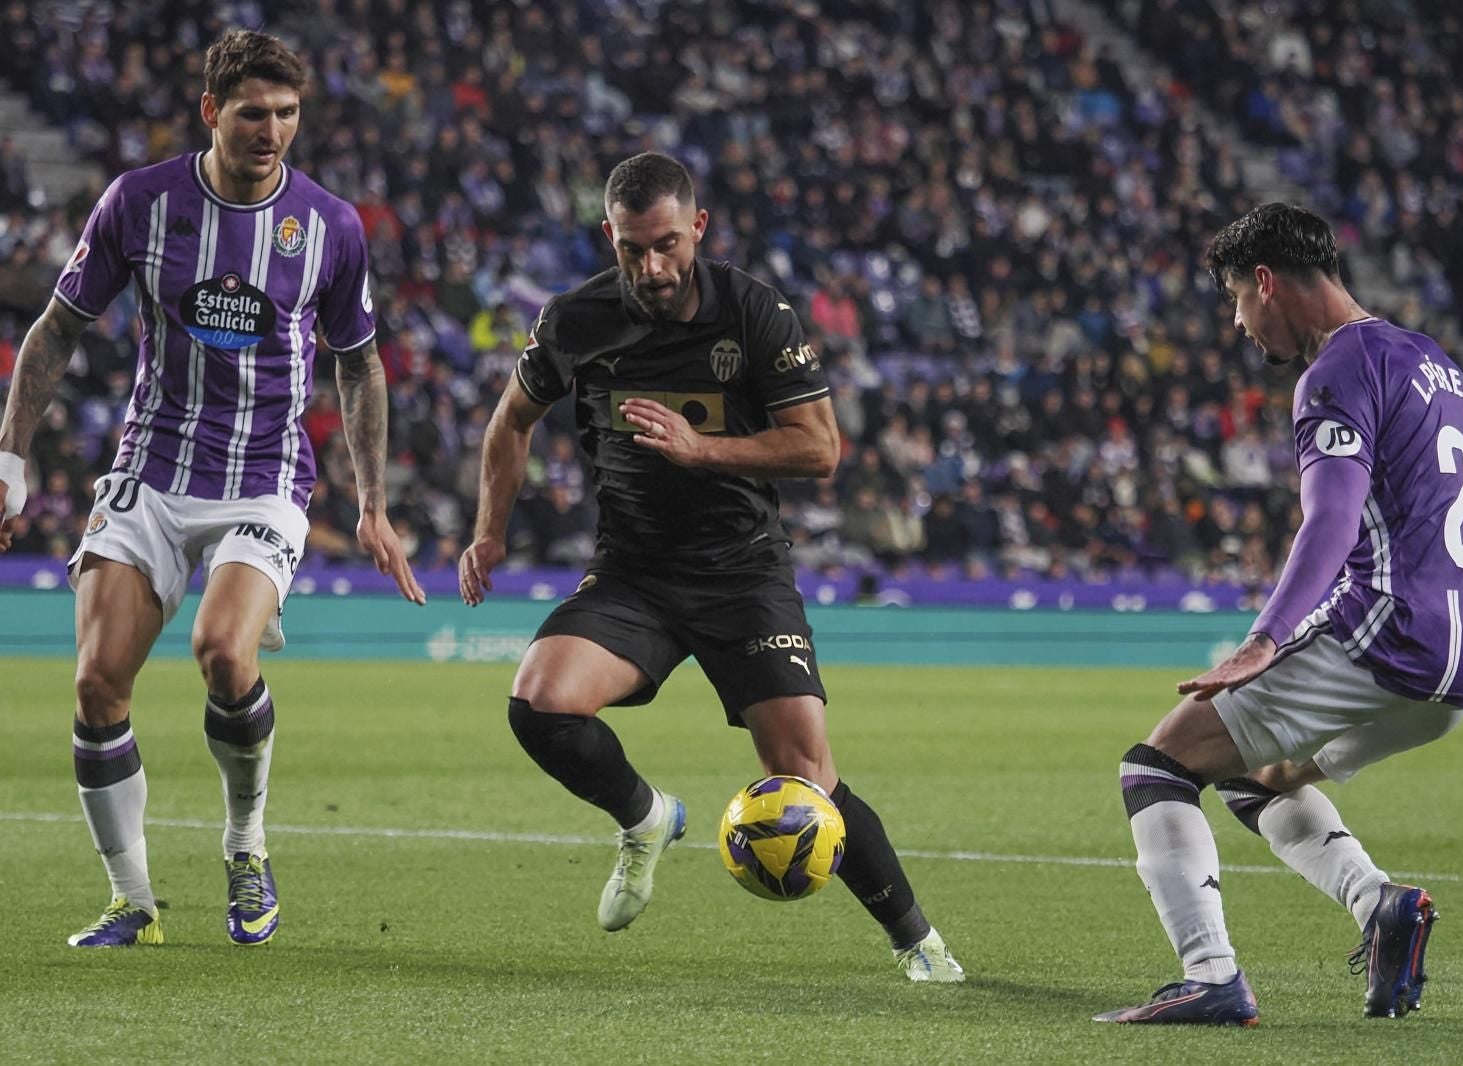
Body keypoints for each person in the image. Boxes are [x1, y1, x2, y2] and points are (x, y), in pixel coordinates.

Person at [458, 152, 963, 982]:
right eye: (630, 249)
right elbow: (509, 423)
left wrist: (702, 450)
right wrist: (490, 532)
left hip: (742, 570)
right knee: (539, 702)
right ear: (609, 238)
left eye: (664, 244)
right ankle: (645, 817)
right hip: (634, 571)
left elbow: (819, 448)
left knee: (803, 773)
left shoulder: (755, 313)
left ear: (697, 228)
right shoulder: (575, 320)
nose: (650, 268)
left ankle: (919, 943)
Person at [0, 30, 424, 949]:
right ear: (211, 114)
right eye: (252, 114)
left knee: (225, 655)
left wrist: (373, 505)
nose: (272, 131)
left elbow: (359, 368)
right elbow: (57, 328)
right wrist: (10, 458)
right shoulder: (140, 204)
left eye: (286, 114)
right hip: (153, 469)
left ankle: (246, 845)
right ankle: (133, 902)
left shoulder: (329, 227)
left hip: (264, 477)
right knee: (95, 683)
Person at [1093, 204, 1463, 1025]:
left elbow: (1330, 521)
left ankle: (1210, 975)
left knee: (1157, 766)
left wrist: (1265, 639)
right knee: (1255, 778)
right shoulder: (1434, 362)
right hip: (1462, 656)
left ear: (1267, 283)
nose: (1241, 323)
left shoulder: (1336, 370)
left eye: (1238, 300)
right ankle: (1380, 906)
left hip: (1387, 631)